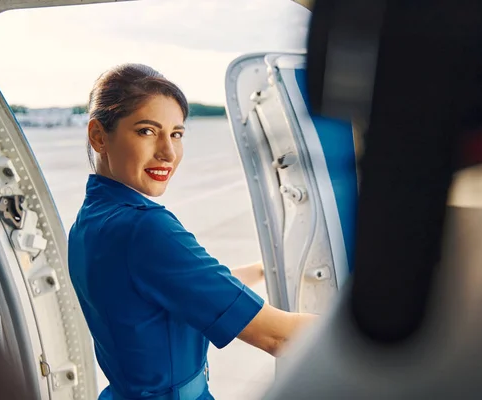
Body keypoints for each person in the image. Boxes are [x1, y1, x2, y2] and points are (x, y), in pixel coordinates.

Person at [67, 64, 317, 400]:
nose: (168, 153)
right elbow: (279, 338)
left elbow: (177, 284)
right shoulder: (144, 228)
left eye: (176, 134)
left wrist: (260, 269)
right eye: (146, 131)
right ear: (98, 136)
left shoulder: (90, 220)